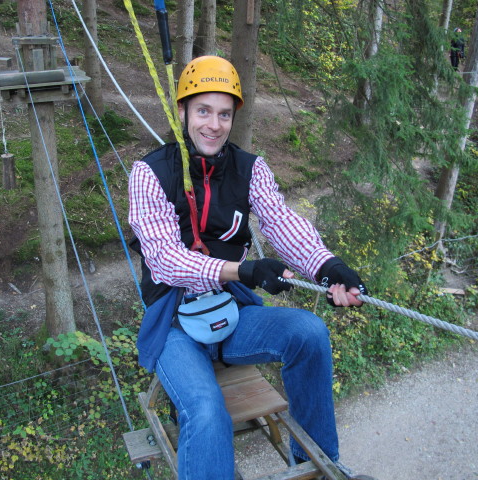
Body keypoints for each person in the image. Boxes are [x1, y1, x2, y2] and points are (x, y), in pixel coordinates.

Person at [128, 55, 371, 480]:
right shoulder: (150, 173)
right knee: (205, 411)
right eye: (203, 110)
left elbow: (280, 221)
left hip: (231, 313)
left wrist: (328, 267)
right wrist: (243, 271)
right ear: (183, 111)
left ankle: (318, 464)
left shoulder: (249, 169)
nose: (214, 125)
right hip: (174, 326)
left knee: (309, 334)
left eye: (224, 114)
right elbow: (165, 260)